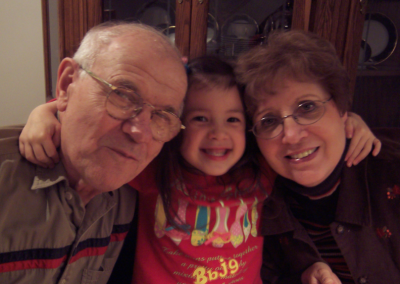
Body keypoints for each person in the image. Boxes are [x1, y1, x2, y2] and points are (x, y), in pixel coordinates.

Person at [19, 54, 379, 284]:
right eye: (201, 118)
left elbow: (296, 141)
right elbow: (100, 124)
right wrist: (48, 111)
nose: (218, 133)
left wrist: (352, 123)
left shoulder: (260, 172)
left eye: (233, 119)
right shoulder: (154, 168)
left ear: (249, 127)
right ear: (176, 125)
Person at [0, 22, 187, 284]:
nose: (140, 132)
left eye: (162, 116)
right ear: (66, 84)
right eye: (122, 95)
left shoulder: (137, 196)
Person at [235, 30, 400, 283]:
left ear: (342, 108)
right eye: (268, 121)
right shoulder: (259, 203)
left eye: (307, 107)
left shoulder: (390, 173)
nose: (289, 135)